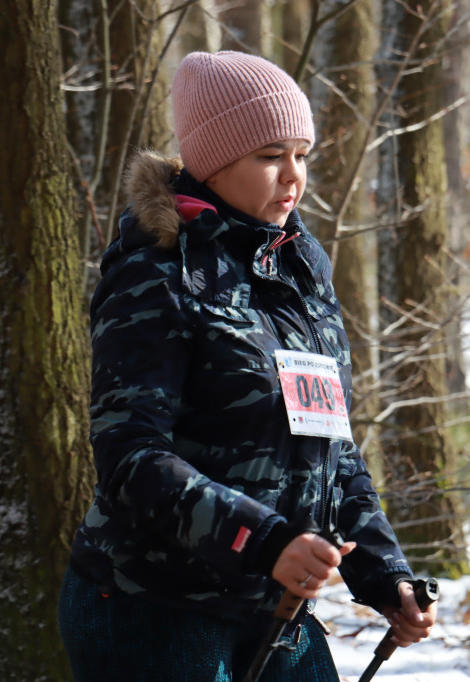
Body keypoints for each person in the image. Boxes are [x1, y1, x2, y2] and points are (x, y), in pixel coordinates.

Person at [58, 50, 437, 681]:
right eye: (269, 156)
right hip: (150, 610)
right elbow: (131, 457)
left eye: (302, 155)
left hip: (277, 611)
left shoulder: (300, 272)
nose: (293, 177)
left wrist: (384, 575)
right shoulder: (155, 272)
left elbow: (331, 449)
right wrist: (264, 543)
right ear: (212, 163)